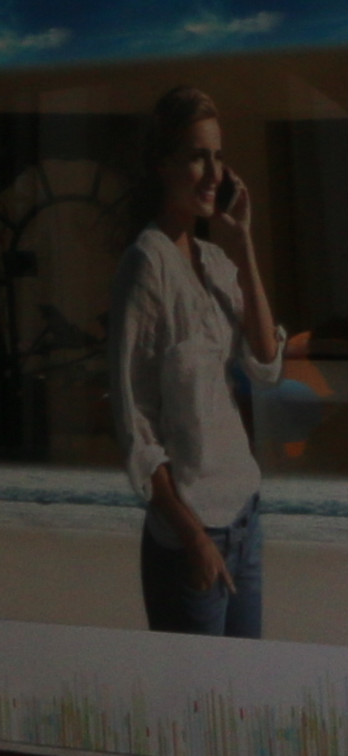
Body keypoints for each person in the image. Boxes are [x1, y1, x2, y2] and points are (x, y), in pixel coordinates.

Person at [119, 86, 293, 638]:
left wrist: (243, 246)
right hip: (192, 541)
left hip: (246, 521)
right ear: (163, 165)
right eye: (198, 155)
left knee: (244, 705)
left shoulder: (217, 263)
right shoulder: (146, 268)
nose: (213, 171)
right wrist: (192, 538)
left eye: (218, 155)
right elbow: (136, 428)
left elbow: (266, 364)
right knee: (200, 715)